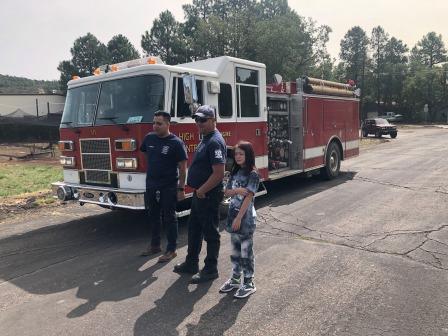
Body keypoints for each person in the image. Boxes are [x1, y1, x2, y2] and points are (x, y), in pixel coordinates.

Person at [173, 105, 226, 283]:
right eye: (197, 119)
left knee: (210, 232)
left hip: (208, 194)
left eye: (203, 120)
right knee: (194, 229)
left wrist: (202, 190)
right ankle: (191, 263)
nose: (198, 123)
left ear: (213, 120)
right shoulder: (206, 138)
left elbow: (218, 173)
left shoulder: (215, 141)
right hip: (200, 194)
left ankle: (211, 269)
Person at [140, 111, 188, 263]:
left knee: (169, 217)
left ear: (168, 124)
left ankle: (171, 249)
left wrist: (181, 188)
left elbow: (182, 167)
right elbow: (146, 154)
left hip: (169, 185)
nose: (155, 126)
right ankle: (155, 245)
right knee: (153, 215)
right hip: (151, 184)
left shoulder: (176, 143)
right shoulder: (149, 138)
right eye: (154, 123)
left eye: (159, 123)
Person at [219, 141, 259, 298]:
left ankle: (249, 282)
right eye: (236, 154)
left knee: (245, 251)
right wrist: (236, 190)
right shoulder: (234, 172)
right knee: (235, 250)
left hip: (245, 218)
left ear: (248, 155)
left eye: (241, 154)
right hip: (232, 215)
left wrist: (239, 218)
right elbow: (227, 192)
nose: (238, 157)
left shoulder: (253, 174)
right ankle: (235, 279)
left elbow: (248, 198)